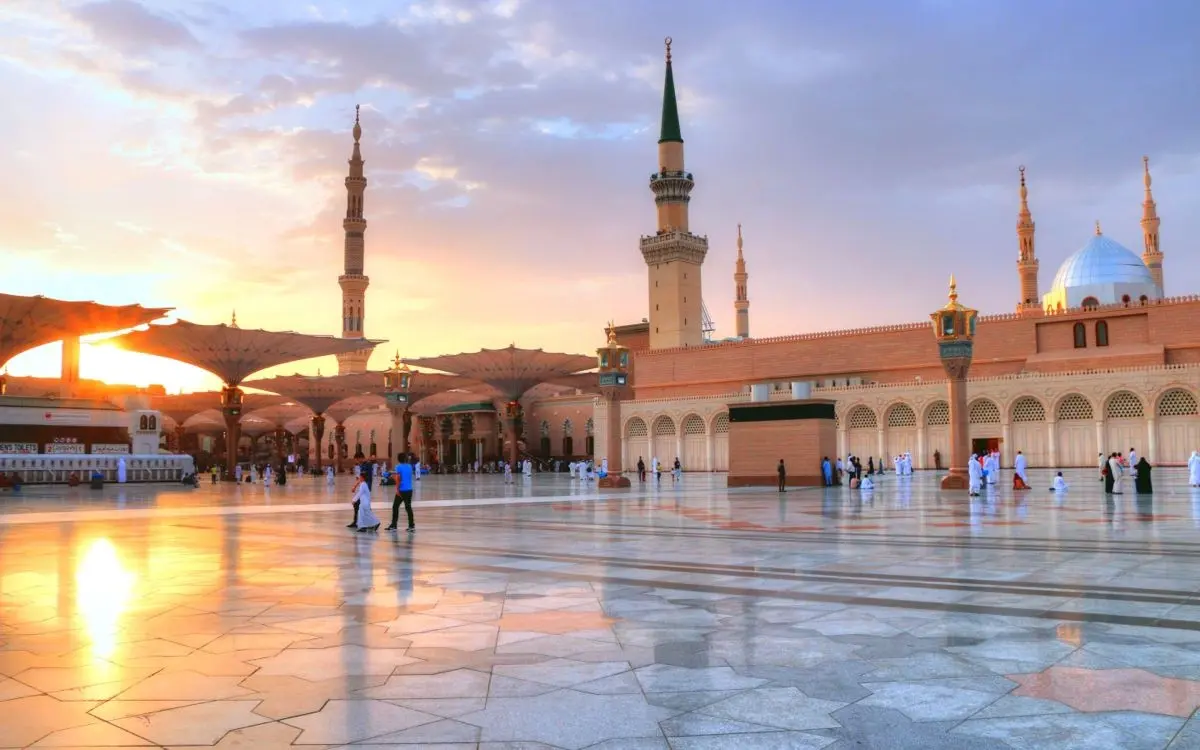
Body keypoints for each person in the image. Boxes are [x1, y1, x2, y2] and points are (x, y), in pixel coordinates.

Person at [388, 453, 416, 532]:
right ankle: (411, 525)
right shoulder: (409, 466)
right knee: (408, 507)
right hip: (409, 489)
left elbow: (398, 479)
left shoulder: (398, 467)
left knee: (395, 506)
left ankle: (394, 525)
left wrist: (397, 490)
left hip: (402, 490)